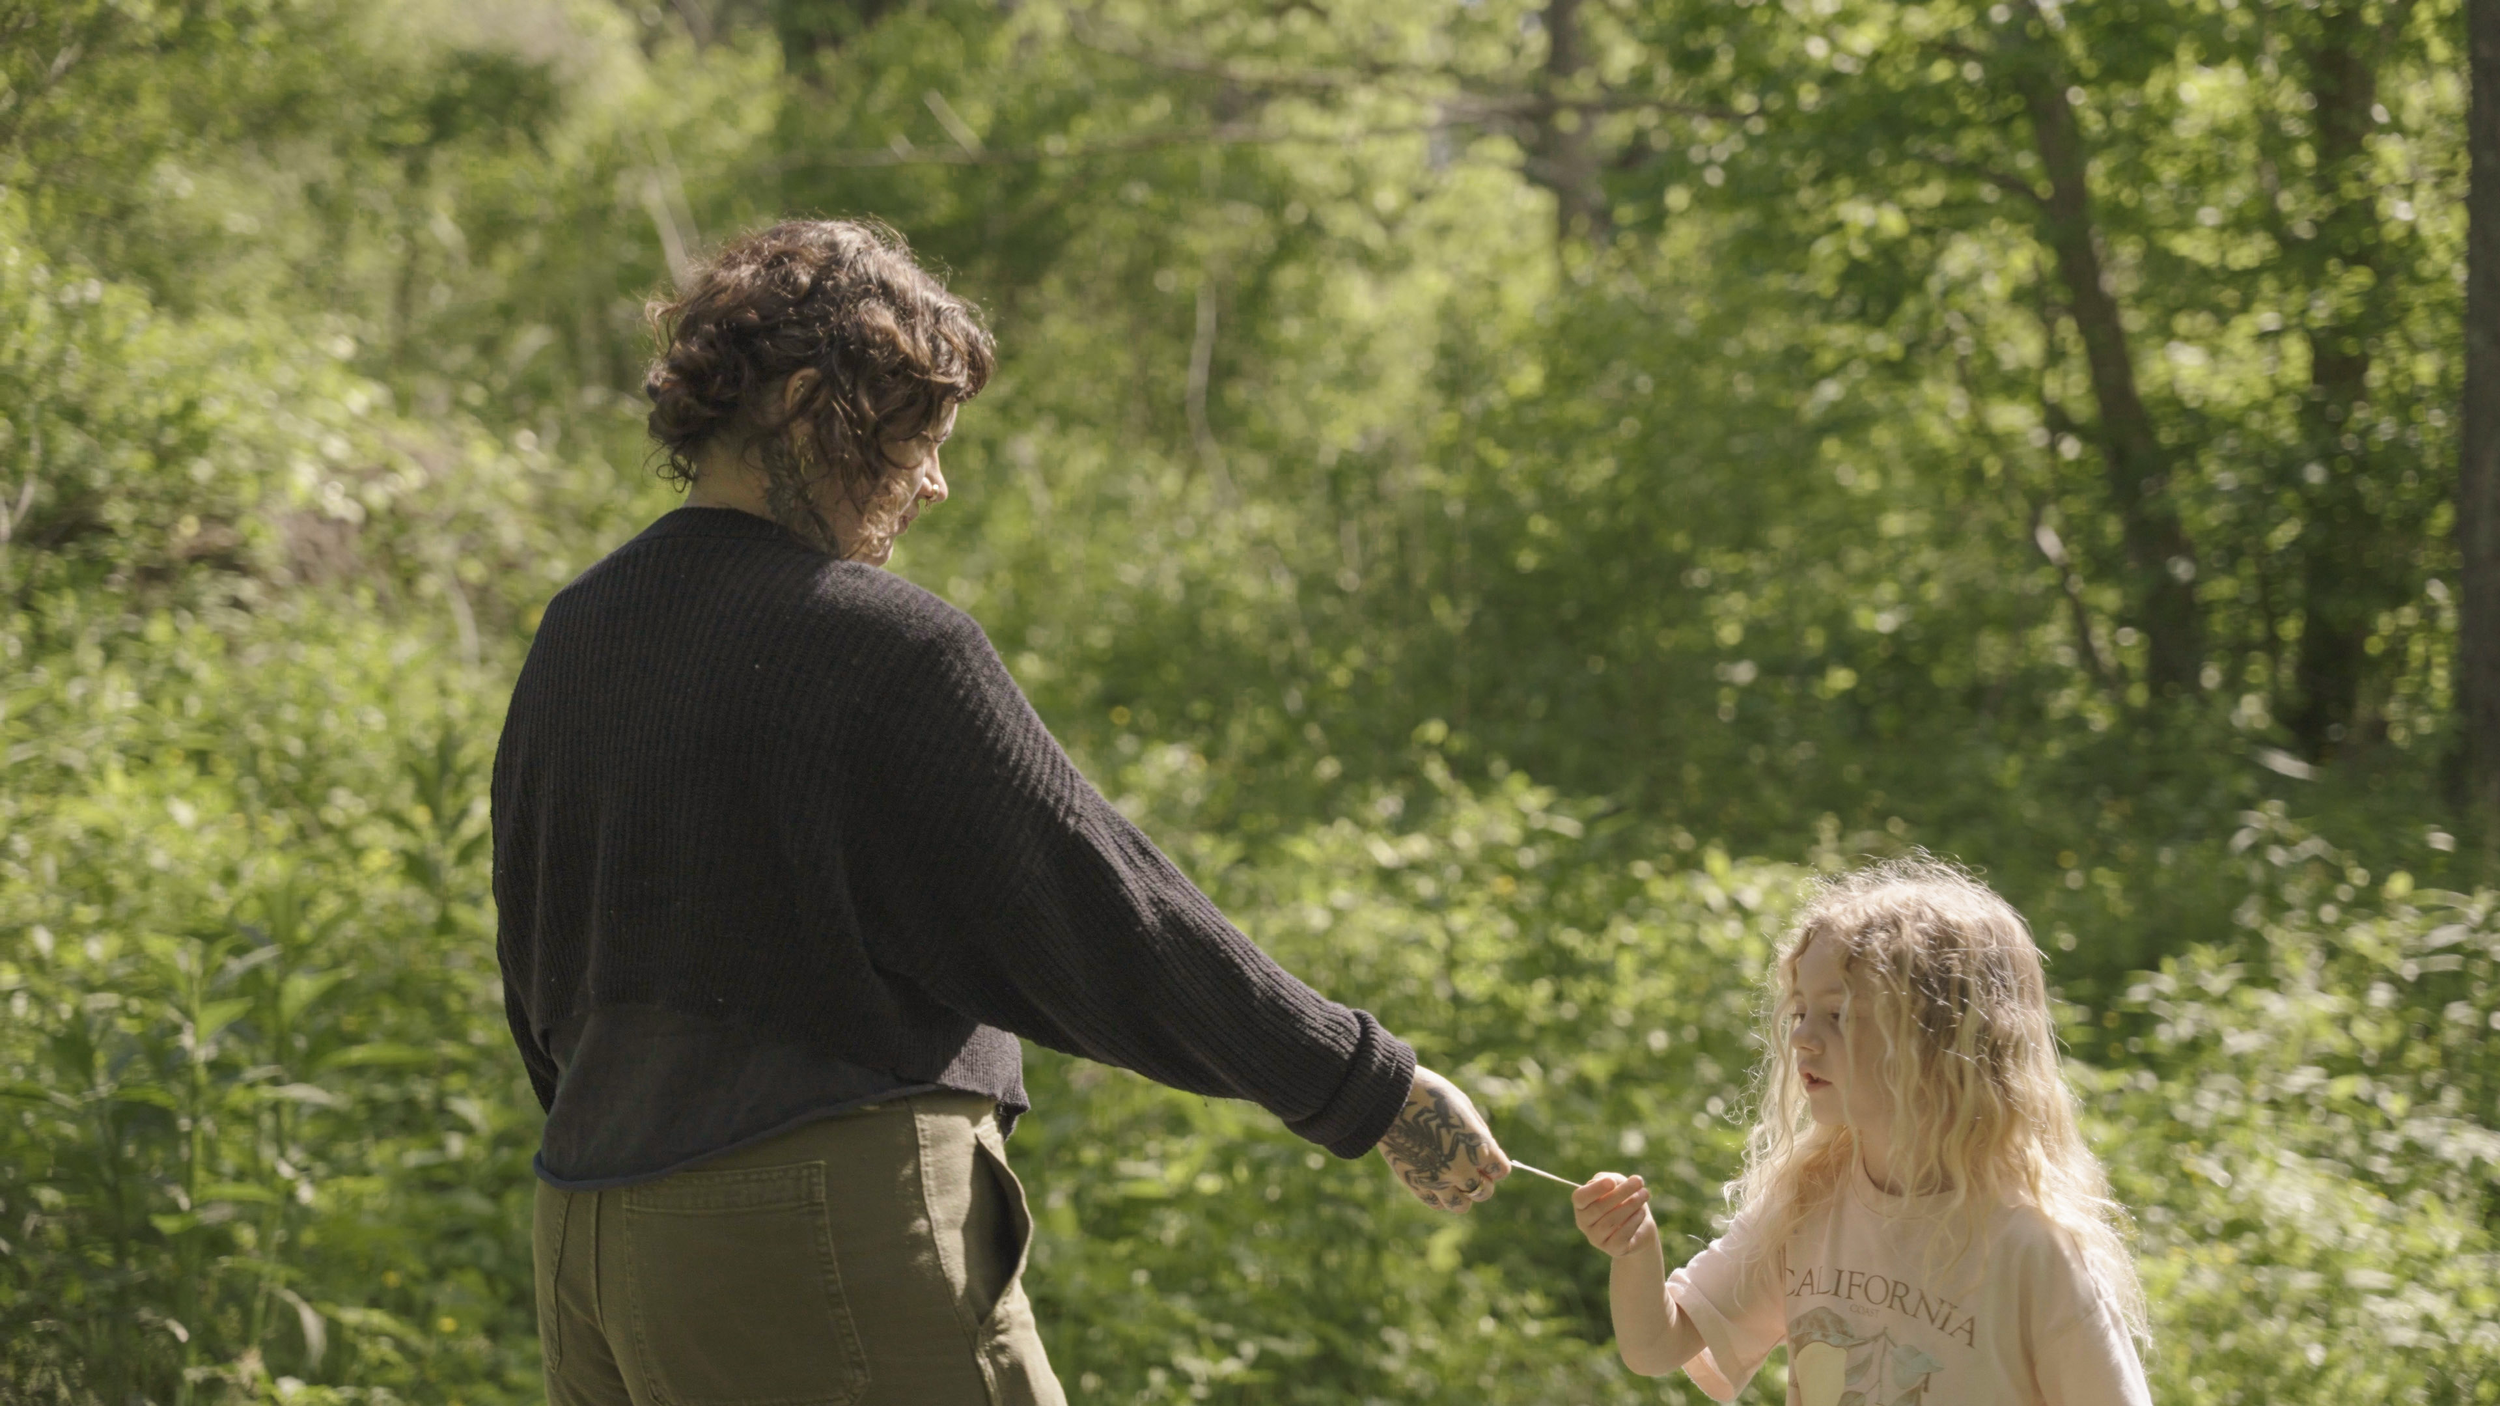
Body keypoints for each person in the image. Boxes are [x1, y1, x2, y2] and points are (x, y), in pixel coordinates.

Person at [491, 218, 1511, 1406]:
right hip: (810, 1229)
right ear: (810, 403)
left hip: (589, 1236)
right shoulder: (884, 646)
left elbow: (538, 973)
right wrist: (1370, 1088)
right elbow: (1109, 914)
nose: (934, 481)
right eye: (919, 438)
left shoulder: (582, 628)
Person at [1570, 857, 2152, 1406]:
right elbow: (1655, 1346)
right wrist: (1636, 1246)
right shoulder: (1809, 1201)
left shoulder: (2030, 1247)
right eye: (1800, 1012)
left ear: (1936, 1041)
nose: (1802, 1038)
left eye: (1839, 1015)